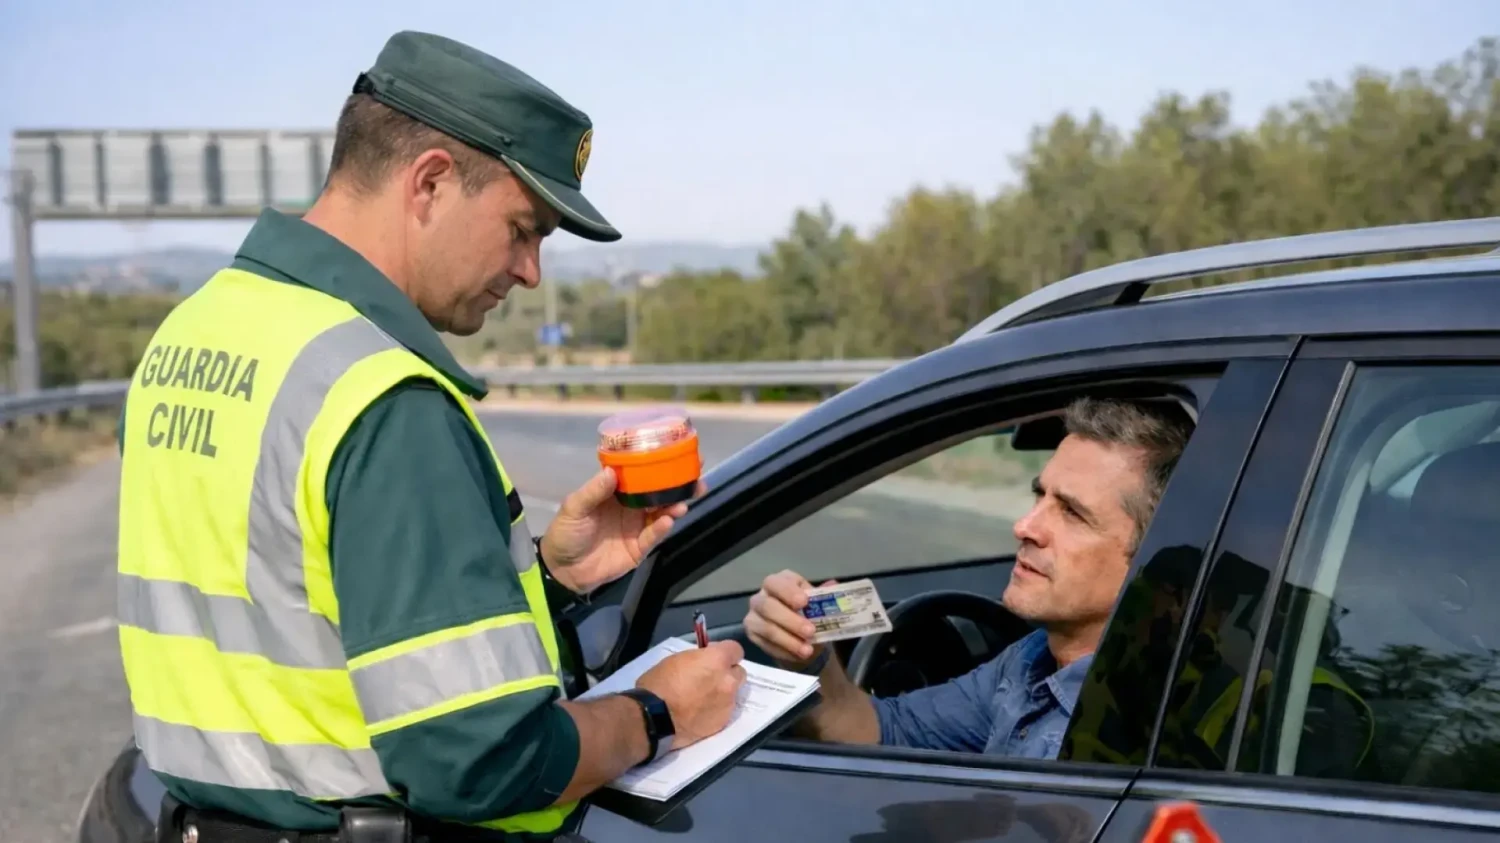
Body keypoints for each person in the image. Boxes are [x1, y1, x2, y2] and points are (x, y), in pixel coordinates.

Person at [115, 31, 746, 842]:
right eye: (523, 229)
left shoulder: (193, 332)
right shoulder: (382, 396)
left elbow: (293, 604)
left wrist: (550, 576)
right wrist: (658, 711)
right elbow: (479, 758)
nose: (531, 272)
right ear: (431, 182)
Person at [743, 397, 1192, 759]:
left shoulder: (1147, 719)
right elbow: (883, 731)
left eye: (1072, 513)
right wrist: (810, 661)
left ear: (1153, 559)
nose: (1025, 526)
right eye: (1039, 496)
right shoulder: (1029, 660)